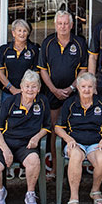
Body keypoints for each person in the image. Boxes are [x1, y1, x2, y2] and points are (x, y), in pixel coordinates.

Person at [0, 70, 51, 204]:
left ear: (39, 88)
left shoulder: (42, 101)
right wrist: (5, 149)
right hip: (5, 142)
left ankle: (30, 194)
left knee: (34, 160)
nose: (30, 90)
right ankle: (0, 191)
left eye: (34, 86)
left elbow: (47, 126)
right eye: (27, 86)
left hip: (26, 144)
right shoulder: (10, 101)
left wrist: (37, 137)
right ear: (21, 87)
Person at [54, 72, 102, 204]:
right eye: (83, 86)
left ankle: (95, 190)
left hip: (95, 143)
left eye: (89, 86)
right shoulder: (70, 103)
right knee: (75, 155)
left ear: (94, 88)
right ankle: (74, 197)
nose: (86, 89)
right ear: (78, 88)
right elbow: (58, 127)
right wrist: (68, 139)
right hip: (76, 143)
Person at [38, 10, 88, 174]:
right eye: (60, 23)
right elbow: (43, 70)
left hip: (74, 93)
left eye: (66, 23)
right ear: (55, 25)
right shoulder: (47, 43)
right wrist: (54, 89)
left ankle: (73, 167)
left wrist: (72, 88)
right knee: (54, 129)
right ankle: (55, 168)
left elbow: (84, 69)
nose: (63, 26)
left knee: (73, 128)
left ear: (72, 25)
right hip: (52, 93)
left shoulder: (80, 43)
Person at [0, 19, 40, 105]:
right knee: (6, 117)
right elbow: (0, 73)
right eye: (19, 30)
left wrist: (26, 90)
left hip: (28, 93)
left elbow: (36, 74)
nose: (22, 33)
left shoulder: (33, 50)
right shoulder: (4, 50)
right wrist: (12, 89)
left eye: (25, 31)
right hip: (8, 93)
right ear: (13, 33)